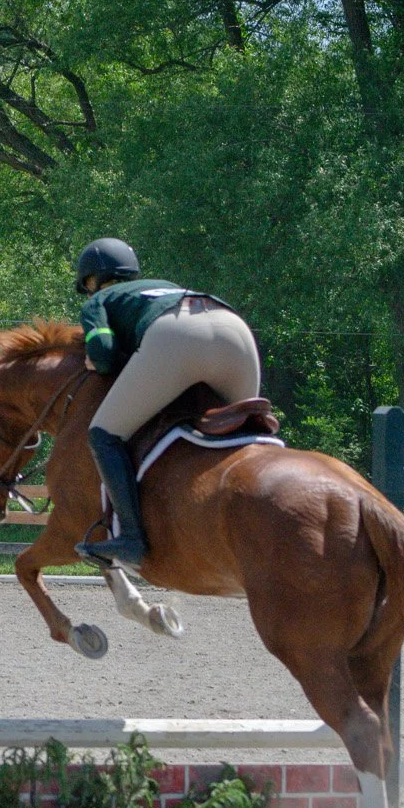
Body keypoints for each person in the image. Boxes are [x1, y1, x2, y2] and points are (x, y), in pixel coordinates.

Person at [72, 237, 263, 568]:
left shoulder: (100, 300)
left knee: (103, 434)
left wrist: (101, 358)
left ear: (92, 281)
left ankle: (131, 538)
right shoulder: (163, 286)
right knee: (250, 437)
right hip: (235, 330)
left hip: (177, 335)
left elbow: (101, 356)